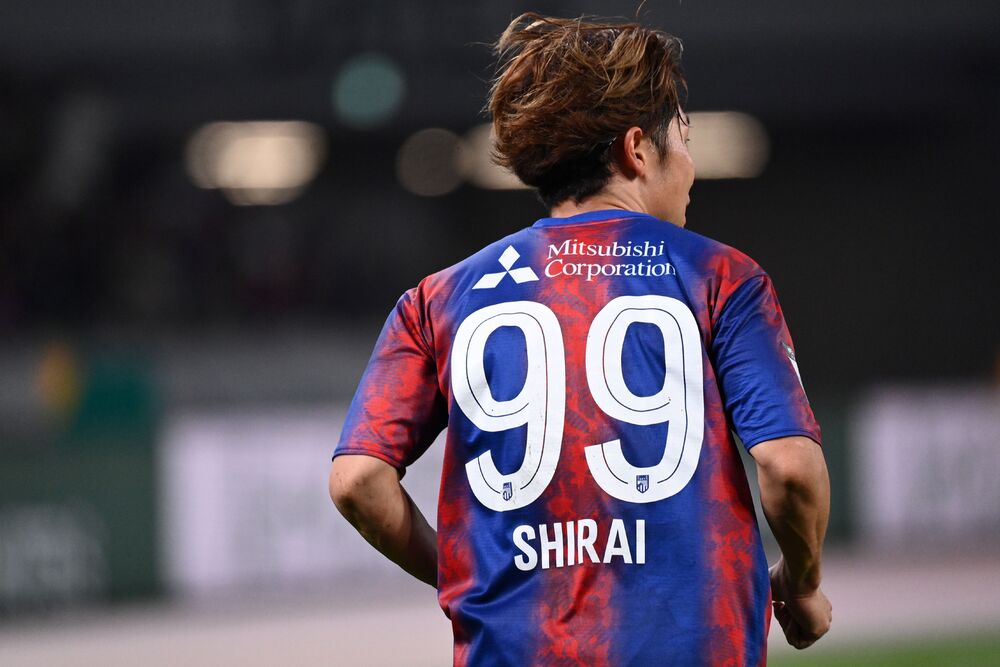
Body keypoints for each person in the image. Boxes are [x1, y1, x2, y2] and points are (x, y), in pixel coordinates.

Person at [330, 12, 831, 666]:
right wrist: (802, 581)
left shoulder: (438, 299)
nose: (691, 166)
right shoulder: (720, 277)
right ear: (637, 149)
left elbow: (358, 480)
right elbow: (789, 469)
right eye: (683, 139)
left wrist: (465, 580)